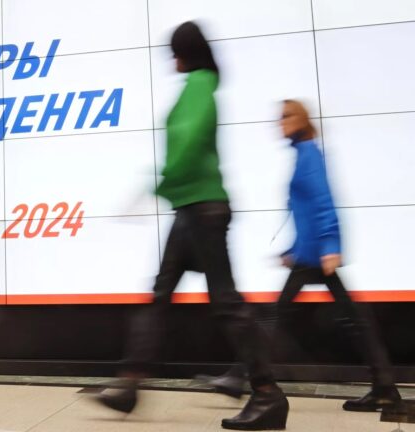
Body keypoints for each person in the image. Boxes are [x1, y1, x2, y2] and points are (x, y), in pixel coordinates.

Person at [96, 21, 289, 431]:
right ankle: (129, 383)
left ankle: (267, 394)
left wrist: (161, 183)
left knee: (225, 303)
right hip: (190, 208)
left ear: (187, 52)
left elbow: (188, 138)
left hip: (202, 209)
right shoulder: (197, 85)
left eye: (175, 52)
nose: (172, 60)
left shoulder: (200, 84)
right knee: (161, 295)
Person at [199, 100, 401, 412]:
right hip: (309, 253)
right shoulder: (303, 153)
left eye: (286, 116)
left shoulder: (308, 154)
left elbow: (323, 201)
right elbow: (305, 211)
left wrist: (330, 244)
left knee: (276, 317)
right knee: (354, 320)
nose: (280, 122)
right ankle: (384, 387)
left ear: (301, 120)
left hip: (317, 254)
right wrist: (293, 249)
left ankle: (239, 376)